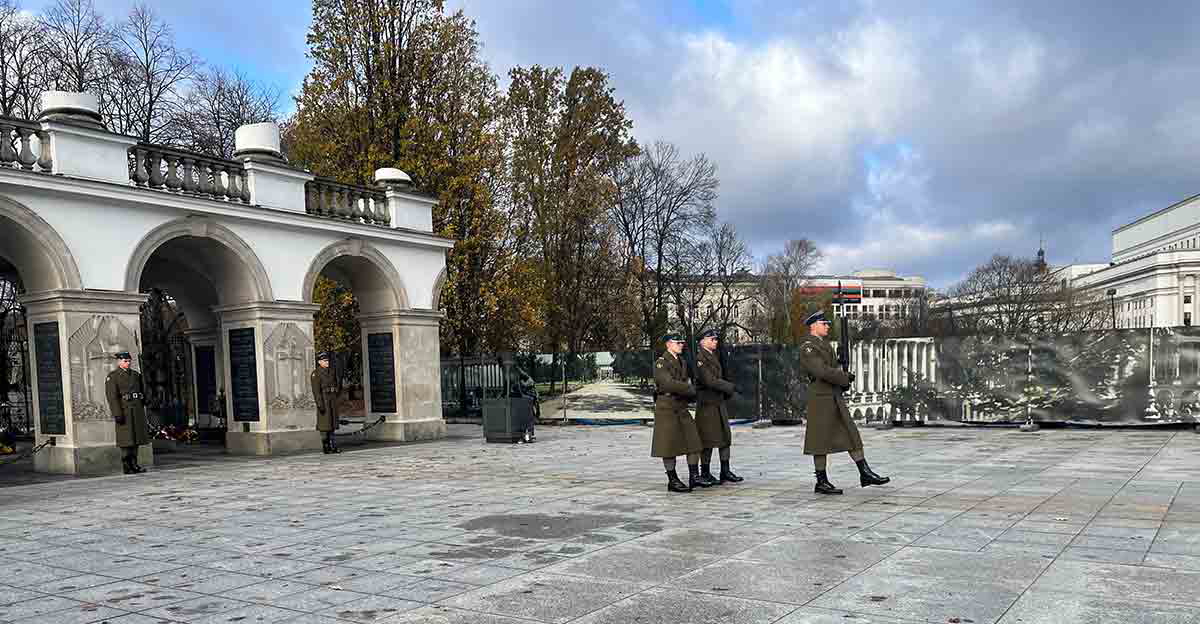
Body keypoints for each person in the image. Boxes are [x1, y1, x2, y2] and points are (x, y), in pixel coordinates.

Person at [798, 311, 890, 494]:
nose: (827, 326)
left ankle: (865, 472)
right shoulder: (808, 347)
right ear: (813, 325)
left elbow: (830, 370)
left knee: (851, 433)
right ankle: (821, 481)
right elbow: (821, 371)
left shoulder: (824, 345)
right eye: (824, 323)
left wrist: (843, 380)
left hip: (833, 395)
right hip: (820, 398)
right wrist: (843, 377)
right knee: (819, 441)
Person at [652, 333, 704, 492]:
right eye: (678, 342)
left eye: (682, 342)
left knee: (693, 442)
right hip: (667, 406)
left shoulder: (682, 361)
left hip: (681, 405)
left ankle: (694, 476)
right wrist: (688, 388)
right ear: (668, 344)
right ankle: (672, 480)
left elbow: (682, 381)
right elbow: (667, 384)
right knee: (668, 446)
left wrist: (687, 389)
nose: (681, 345)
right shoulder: (661, 363)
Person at [694, 328, 743, 484]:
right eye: (711, 339)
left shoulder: (714, 355)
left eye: (716, 339)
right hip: (707, 403)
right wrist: (730, 387)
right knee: (708, 439)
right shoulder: (700, 358)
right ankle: (705, 472)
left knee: (724, 437)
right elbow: (710, 381)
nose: (715, 342)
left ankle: (725, 470)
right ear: (702, 341)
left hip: (718, 402)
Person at [105, 352, 148, 474]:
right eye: (125, 361)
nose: (127, 363)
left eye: (129, 361)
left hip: (136, 410)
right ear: (118, 362)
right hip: (124, 411)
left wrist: (145, 400)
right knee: (126, 440)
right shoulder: (113, 376)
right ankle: (126, 465)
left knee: (136, 439)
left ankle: (135, 464)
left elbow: (142, 391)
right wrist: (117, 413)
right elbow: (112, 397)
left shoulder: (136, 375)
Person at [310, 351, 341, 454]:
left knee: (332, 425)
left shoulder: (332, 371)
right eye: (325, 360)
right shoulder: (316, 374)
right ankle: (326, 446)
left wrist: (336, 394)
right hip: (324, 401)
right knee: (325, 426)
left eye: (327, 360)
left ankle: (333, 445)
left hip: (332, 400)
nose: (327, 362)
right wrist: (320, 404)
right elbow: (316, 391)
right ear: (319, 362)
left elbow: (337, 383)